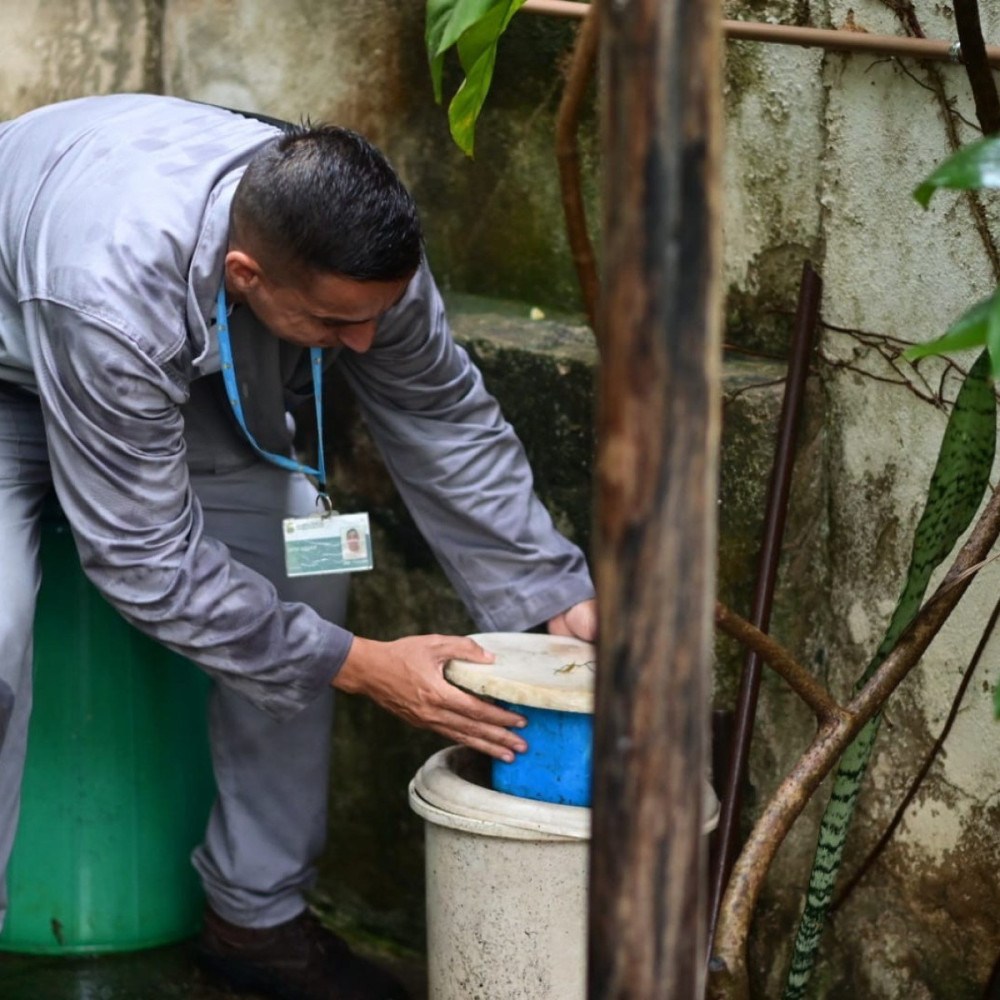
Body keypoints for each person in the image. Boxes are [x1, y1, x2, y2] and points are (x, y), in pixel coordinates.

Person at [0, 94, 596, 1000]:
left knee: (301, 567)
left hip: (172, 358)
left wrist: (549, 591)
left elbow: (439, 412)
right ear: (248, 274)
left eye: (373, 317)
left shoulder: (356, 247)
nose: (361, 342)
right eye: (333, 325)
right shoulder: (112, 284)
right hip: (21, 353)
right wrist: (362, 668)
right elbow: (144, 558)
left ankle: (257, 917)